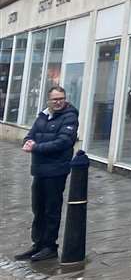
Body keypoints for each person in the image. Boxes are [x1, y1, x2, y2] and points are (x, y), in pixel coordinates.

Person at [15, 86, 79, 262]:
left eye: (61, 98)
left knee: (52, 209)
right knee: (38, 208)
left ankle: (50, 246)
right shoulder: (42, 116)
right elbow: (30, 134)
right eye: (55, 99)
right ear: (48, 100)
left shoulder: (70, 117)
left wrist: (36, 147)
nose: (58, 102)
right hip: (39, 169)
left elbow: (63, 142)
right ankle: (38, 244)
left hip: (56, 170)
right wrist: (28, 142)